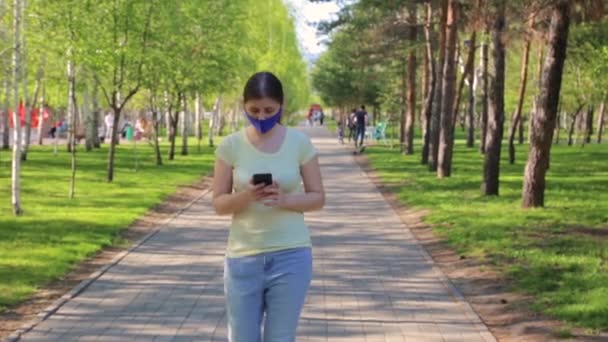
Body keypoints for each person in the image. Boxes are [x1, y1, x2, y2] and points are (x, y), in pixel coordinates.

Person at [212, 71, 325, 342]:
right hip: (242, 258)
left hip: (291, 256)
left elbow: (318, 197)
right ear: (244, 106)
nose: (262, 117)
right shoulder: (230, 146)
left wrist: (285, 200)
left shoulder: (300, 143)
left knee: (280, 337)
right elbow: (218, 203)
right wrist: (246, 196)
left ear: (281, 106)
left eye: (269, 110)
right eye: (254, 110)